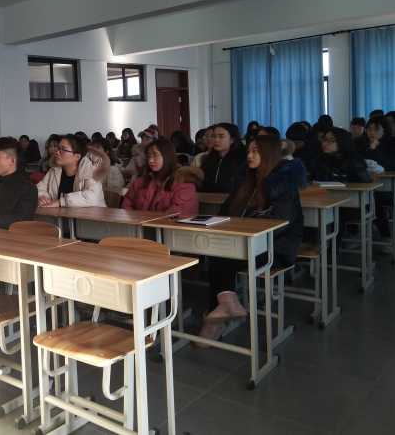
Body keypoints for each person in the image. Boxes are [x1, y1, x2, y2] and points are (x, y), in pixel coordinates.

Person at [198, 135, 303, 344]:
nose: (249, 155)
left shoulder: (283, 184)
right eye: (249, 151)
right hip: (244, 244)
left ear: (268, 154)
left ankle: (218, 316)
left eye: (255, 151)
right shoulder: (245, 181)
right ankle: (226, 306)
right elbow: (225, 211)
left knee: (223, 258)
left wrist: (242, 229)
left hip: (275, 248)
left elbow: (280, 224)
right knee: (217, 254)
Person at [122, 138, 199, 215]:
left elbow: (178, 214)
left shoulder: (184, 183)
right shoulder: (141, 181)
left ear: (167, 156)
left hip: (165, 223)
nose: (150, 160)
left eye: (155, 155)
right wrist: (133, 219)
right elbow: (127, 203)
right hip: (138, 222)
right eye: (149, 156)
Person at [37, 134, 106, 207]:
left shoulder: (90, 170)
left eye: (63, 150)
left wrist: (61, 202)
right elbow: (40, 187)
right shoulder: (54, 170)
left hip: (91, 214)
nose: (57, 152)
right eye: (58, 148)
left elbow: (93, 197)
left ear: (77, 156)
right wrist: (42, 197)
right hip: (62, 213)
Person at [198, 123, 246, 193]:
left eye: (221, 136)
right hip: (207, 197)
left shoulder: (241, 160)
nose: (216, 140)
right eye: (214, 136)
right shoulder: (208, 159)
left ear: (232, 140)